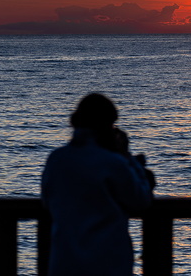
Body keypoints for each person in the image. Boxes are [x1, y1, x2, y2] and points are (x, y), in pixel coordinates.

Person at [42, 93, 154, 276]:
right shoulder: (113, 162)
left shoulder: (57, 159)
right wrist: (127, 157)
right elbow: (140, 200)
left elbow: (47, 202)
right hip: (107, 263)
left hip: (64, 262)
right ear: (107, 125)